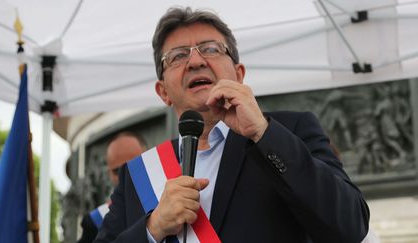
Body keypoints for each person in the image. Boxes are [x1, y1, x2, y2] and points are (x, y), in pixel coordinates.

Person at [95, 7, 370, 243]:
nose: (195, 61)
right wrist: (152, 228)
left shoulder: (290, 130)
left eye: (211, 49)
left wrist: (262, 133)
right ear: (162, 91)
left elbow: (349, 225)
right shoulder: (138, 174)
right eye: (178, 56)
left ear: (238, 75)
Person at [78, 132, 146, 243]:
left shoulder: (171, 205)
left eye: (132, 167)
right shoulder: (95, 222)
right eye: (117, 171)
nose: (125, 176)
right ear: (109, 173)